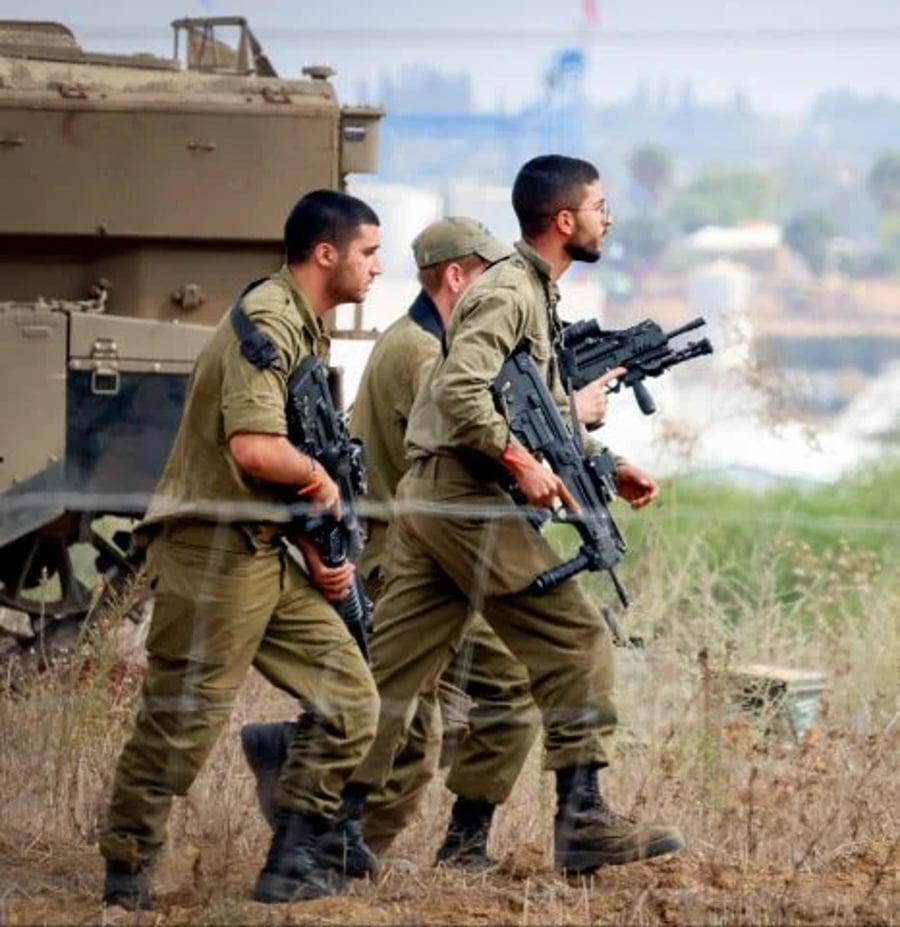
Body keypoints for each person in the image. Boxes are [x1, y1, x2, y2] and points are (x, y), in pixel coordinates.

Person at [334, 155, 685, 877]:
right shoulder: (508, 291)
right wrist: (521, 463)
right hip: (465, 498)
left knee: (389, 678)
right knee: (579, 642)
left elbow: (543, 408)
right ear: (565, 220)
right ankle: (582, 817)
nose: (607, 216)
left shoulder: (533, 294)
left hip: (436, 502)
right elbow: (464, 390)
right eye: (599, 205)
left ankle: (317, 833)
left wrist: (611, 466)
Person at [241, 216, 627, 870]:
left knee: (398, 687)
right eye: (487, 276)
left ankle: (339, 836)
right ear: (457, 276)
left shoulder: (423, 342)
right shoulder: (423, 353)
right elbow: (470, 425)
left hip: (420, 536)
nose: (496, 293)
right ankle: (386, 827)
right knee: (501, 681)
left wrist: (593, 452)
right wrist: (568, 421)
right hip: (419, 543)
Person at [98, 190, 383, 909]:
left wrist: (318, 541)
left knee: (351, 699)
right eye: (368, 253)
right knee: (181, 724)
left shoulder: (302, 324)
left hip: (265, 550)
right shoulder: (268, 321)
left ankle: (293, 862)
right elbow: (255, 447)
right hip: (213, 552)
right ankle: (126, 875)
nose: (377, 268)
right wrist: (320, 481)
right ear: (327, 254)